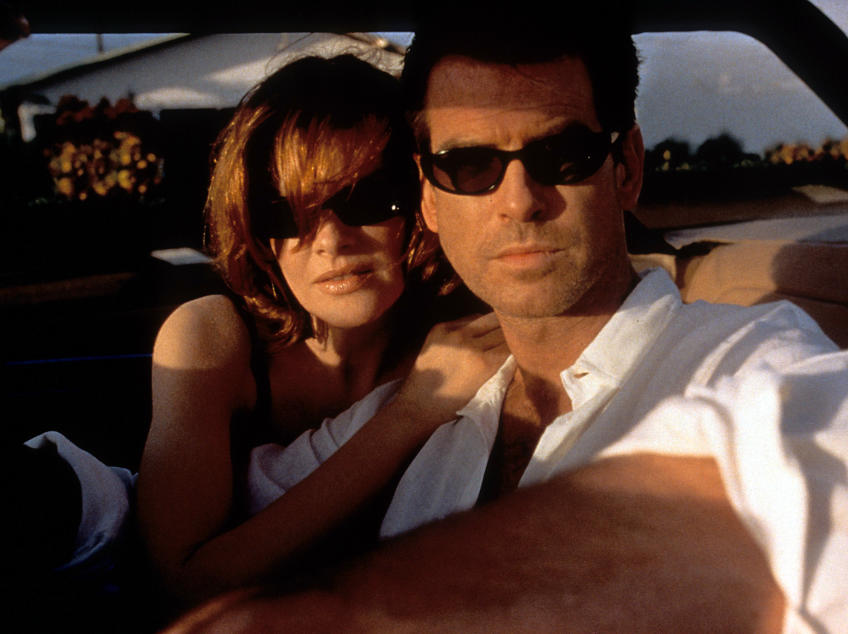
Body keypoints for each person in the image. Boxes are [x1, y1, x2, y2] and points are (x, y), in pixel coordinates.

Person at [169, 19, 848, 634]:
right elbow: (229, 531)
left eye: (563, 154)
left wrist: (362, 613)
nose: (518, 199)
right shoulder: (430, 396)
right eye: (469, 165)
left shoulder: (735, 354)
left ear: (627, 169)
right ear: (431, 198)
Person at [11, 53, 507, 621]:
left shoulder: (462, 335)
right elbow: (181, 584)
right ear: (256, 229)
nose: (331, 241)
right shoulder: (213, 336)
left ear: (420, 204)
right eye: (286, 213)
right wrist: (413, 414)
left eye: (366, 198)